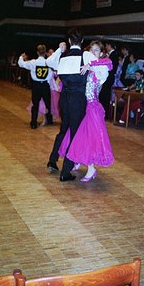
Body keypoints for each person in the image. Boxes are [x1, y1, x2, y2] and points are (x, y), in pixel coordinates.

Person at [58, 41, 114, 182]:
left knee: (88, 139)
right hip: (82, 106)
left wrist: (91, 64)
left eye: (97, 51)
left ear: (101, 53)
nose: (93, 53)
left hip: (92, 107)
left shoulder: (101, 69)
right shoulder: (88, 66)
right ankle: (77, 161)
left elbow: (108, 63)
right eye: (91, 50)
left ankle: (91, 169)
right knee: (77, 136)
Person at [46, 27, 97, 182]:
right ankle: (65, 172)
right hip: (77, 99)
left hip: (64, 98)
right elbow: (104, 65)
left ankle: (53, 160)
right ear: (82, 42)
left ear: (68, 41)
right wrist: (91, 65)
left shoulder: (62, 56)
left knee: (64, 129)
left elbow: (49, 62)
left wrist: (58, 49)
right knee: (75, 133)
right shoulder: (86, 55)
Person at [18, 44, 54, 129]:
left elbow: (21, 64)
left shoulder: (33, 62)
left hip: (36, 86)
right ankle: (49, 120)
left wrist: (21, 57)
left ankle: (33, 122)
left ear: (37, 52)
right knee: (48, 103)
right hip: (45, 85)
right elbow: (51, 73)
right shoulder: (48, 62)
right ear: (45, 53)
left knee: (35, 104)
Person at [99, 41, 118, 119]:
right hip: (108, 77)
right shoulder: (111, 55)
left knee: (105, 95)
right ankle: (103, 112)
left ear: (110, 46)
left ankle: (105, 113)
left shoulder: (113, 55)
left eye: (106, 46)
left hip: (109, 77)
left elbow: (112, 68)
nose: (106, 47)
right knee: (103, 94)